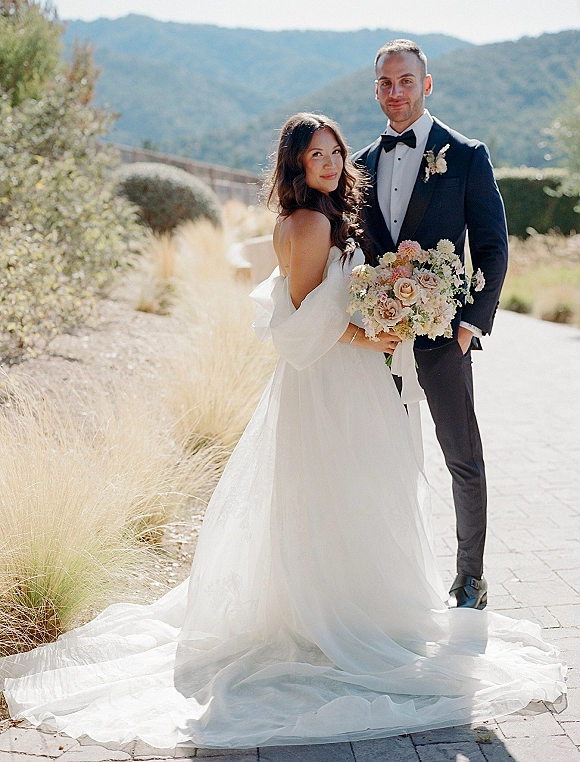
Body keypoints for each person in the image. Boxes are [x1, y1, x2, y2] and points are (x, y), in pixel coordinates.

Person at [0, 114, 563, 751]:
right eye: (314, 154)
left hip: (340, 382)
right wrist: (368, 332)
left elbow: (313, 304)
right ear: (294, 165)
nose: (327, 162)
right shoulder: (315, 223)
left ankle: (343, 603)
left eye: (333, 151)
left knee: (340, 495)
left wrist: (385, 308)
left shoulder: (312, 217)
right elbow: (301, 329)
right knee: (350, 495)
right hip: (330, 385)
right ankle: (339, 615)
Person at [352, 39, 509, 610]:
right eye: (386, 84)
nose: (396, 92)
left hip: (446, 338)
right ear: (376, 89)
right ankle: (390, 574)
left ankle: (471, 578)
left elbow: (493, 247)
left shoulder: (465, 155)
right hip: (381, 339)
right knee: (383, 453)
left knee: (461, 455)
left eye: (406, 82)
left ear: (427, 84)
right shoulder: (360, 165)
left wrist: (472, 323)